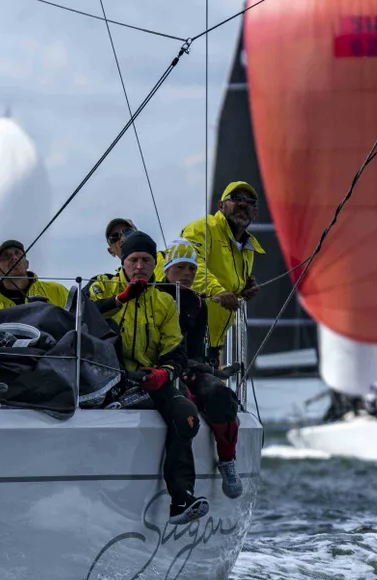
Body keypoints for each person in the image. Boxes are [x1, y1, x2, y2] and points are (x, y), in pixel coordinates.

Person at [94, 230, 210, 524]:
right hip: (106, 375)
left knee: (187, 415)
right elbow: (81, 317)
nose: (140, 266)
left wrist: (165, 373)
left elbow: (175, 350)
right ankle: (106, 492)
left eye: (146, 260)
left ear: (155, 263)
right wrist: (120, 300)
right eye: (133, 259)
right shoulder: (102, 286)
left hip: (148, 378)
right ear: (123, 263)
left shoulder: (165, 302)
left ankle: (181, 500)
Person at [159, 239, 243, 499]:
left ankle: (227, 460)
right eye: (181, 267)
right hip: (160, 368)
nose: (187, 274)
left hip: (189, 367)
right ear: (166, 269)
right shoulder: (154, 296)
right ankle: (183, 490)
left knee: (221, 394)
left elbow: (195, 350)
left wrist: (212, 372)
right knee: (184, 403)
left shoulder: (198, 303)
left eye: (192, 269)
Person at [181, 181, 264, 364]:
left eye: (249, 201)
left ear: (255, 213)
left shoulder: (248, 247)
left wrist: (243, 288)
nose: (243, 204)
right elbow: (190, 266)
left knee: (218, 390)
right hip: (184, 340)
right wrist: (217, 290)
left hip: (213, 345)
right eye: (235, 198)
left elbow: (228, 282)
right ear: (221, 206)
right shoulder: (203, 228)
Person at [87, 217, 163, 301]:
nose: (123, 238)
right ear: (111, 251)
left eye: (128, 232)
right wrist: (118, 300)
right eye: (114, 237)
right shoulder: (102, 284)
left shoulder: (163, 258)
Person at [0, 240, 69, 310]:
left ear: (27, 264)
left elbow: (77, 318)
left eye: (18, 253)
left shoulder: (56, 290)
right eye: (6, 256)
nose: (14, 258)